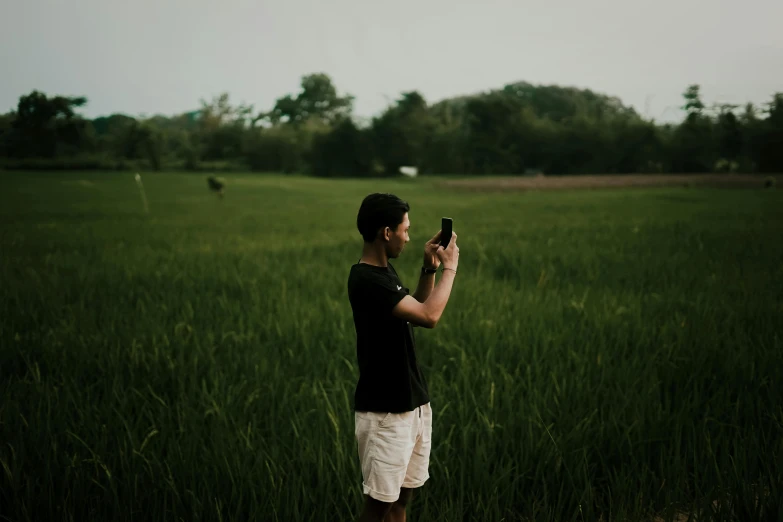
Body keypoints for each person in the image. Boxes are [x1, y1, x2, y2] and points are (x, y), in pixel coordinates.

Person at [347, 193, 460, 522]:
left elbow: (412, 312)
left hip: (412, 403)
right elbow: (429, 316)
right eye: (405, 230)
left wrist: (430, 268)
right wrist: (451, 268)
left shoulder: (384, 273)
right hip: (385, 411)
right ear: (386, 232)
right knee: (379, 506)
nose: (409, 238)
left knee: (401, 502)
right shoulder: (367, 279)